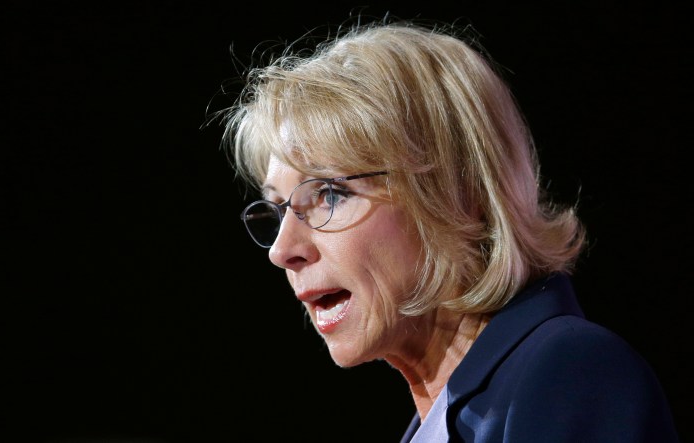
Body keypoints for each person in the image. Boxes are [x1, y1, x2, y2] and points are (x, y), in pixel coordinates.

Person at [211, 17, 679, 442]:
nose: (282, 250)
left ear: (459, 192)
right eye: (279, 209)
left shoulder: (570, 372)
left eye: (331, 193)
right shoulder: (446, 419)